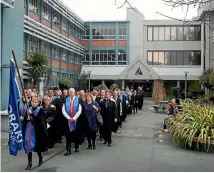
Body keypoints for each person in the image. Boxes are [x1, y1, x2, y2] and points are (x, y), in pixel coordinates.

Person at [21, 96, 48, 170]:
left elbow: (40, 121)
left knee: (37, 145)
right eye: (32, 101)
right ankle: (29, 163)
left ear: (38, 103)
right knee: (28, 144)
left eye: (35, 102)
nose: (33, 103)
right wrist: (26, 118)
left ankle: (40, 157)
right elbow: (25, 121)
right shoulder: (28, 109)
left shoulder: (41, 110)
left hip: (37, 131)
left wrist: (32, 115)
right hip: (29, 129)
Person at [62, 88, 82, 156]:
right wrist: (68, 118)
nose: (70, 93)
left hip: (76, 120)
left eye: (72, 92)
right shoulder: (65, 99)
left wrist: (74, 118)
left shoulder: (78, 99)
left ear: (74, 93)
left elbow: (79, 110)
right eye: (69, 92)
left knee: (76, 134)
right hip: (68, 121)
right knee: (68, 136)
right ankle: (68, 150)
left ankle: (76, 146)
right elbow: (63, 110)